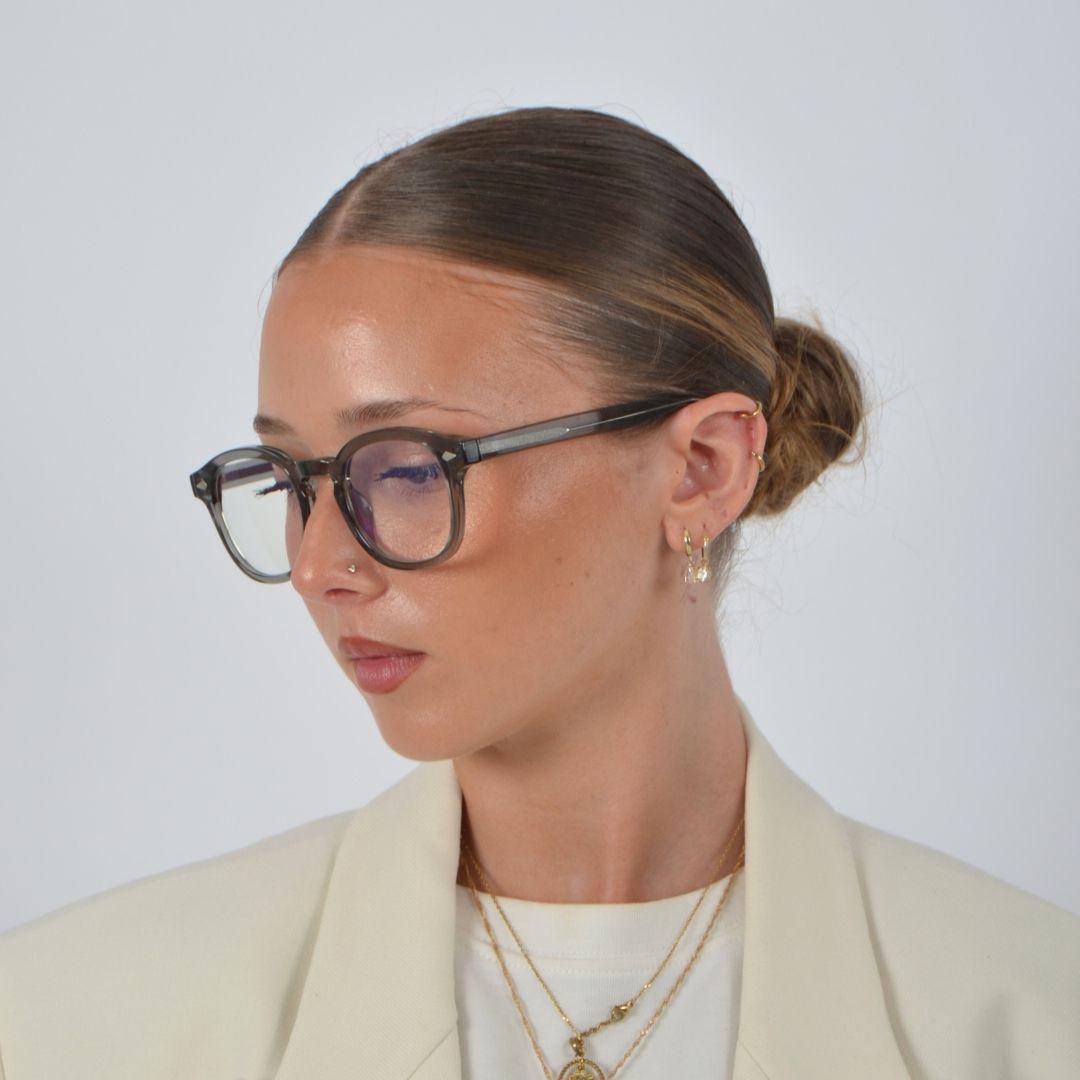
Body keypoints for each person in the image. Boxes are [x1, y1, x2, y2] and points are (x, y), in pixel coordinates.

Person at [1, 107, 1077, 1080]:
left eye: (408, 467)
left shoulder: (1030, 1021)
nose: (323, 565)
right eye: (291, 478)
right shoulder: (74, 1023)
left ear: (703, 469)